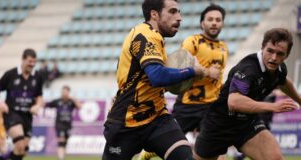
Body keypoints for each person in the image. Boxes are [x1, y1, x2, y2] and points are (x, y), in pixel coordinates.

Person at [102, 0, 219, 160]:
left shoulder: (156, 37)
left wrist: (188, 75)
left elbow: (154, 82)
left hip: (157, 117)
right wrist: (193, 71)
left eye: (179, 12)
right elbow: (157, 76)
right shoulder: (144, 35)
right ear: (154, 14)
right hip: (127, 121)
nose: (179, 17)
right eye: (172, 11)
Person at [193, 28, 301, 160]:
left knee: (275, 158)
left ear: (287, 55)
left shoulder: (279, 68)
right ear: (262, 47)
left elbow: (283, 81)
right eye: (270, 51)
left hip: (247, 123)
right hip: (218, 125)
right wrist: (273, 107)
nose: (273, 58)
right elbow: (234, 102)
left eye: (280, 54)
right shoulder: (248, 69)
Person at [139, 3, 227, 160]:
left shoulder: (224, 48)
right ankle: (147, 154)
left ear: (222, 23)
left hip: (211, 106)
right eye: (210, 19)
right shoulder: (192, 42)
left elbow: (218, 79)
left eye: (218, 20)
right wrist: (207, 72)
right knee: (168, 141)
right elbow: (180, 67)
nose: (214, 23)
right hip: (188, 105)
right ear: (202, 23)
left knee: (215, 153)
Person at [0, 48, 44, 160]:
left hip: (27, 116)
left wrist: (38, 105)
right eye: (30, 61)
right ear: (23, 59)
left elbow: (39, 96)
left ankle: (3, 158)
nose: (32, 64)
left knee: (23, 150)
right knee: (20, 144)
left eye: (34, 62)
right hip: (11, 113)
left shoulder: (38, 77)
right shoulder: (10, 74)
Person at [45, 85, 81, 160]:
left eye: (66, 91)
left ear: (68, 92)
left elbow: (80, 107)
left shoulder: (71, 102)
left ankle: (62, 157)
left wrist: (73, 98)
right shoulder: (57, 101)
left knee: (65, 142)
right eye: (63, 91)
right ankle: (61, 158)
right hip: (59, 124)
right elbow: (47, 105)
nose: (64, 93)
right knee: (61, 142)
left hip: (68, 125)